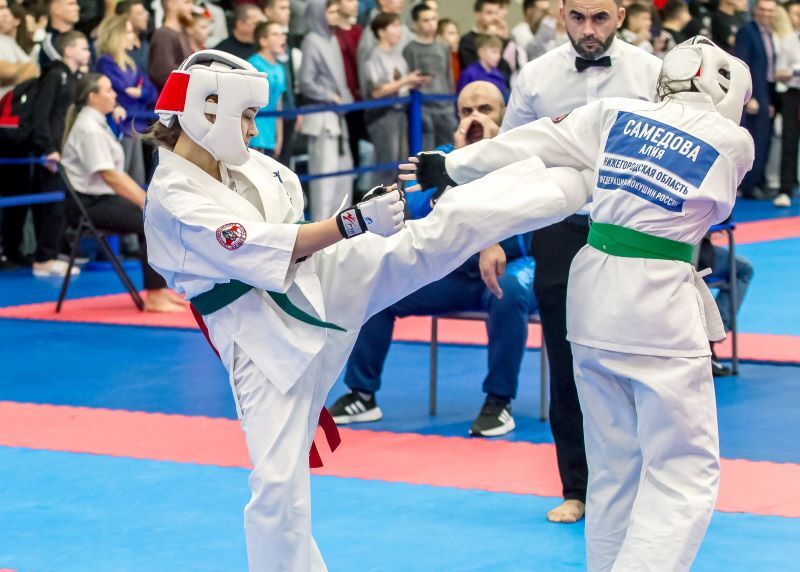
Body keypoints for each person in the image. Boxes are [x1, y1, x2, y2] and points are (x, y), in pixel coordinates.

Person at [143, 48, 591, 572]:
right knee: (278, 483)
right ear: (207, 112)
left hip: (317, 275)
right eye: (245, 116)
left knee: (429, 241)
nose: (252, 130)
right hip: (258, 334)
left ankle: (565, 185)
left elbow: (294, 220)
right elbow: (266, 245)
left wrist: (368, 214)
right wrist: (354, 222)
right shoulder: (174, 198)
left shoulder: (243, 164)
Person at [407, 35, 755, 572]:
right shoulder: (734, 142)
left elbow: (534, 140)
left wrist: (453, 166)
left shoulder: (617, 113)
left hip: (590, 290)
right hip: (657, 299)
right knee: (683, 470)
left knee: (612, 466)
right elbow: (717, 205)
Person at [472, 0, 663, 525]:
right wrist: (493, 237)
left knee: (635, 358)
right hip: (558, 228)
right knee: (566, 357)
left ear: (620, 14)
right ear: (562, 14)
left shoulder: (652, 74)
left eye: (599, 18)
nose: (588, 30)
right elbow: (506, 158)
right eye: (578, 17)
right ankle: (576, 488)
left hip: (630, 229)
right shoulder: (536, 77)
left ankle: (643, 488)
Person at [331, 80, 537, 437]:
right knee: (378, 283)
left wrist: (488, 158)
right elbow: (420, 211)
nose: (475, 118)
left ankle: (498, 401)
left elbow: (525, 224)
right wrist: (458, 164)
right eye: (467, 111)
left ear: (504, 115)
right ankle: (361, 394)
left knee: (510, 290)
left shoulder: (522, 155)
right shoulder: (436, 160)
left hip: (511, 265)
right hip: (453, 272)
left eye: (485, 110)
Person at [61, 73, 183, 312]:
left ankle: (160, 290)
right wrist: (146, 201)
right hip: (89, 206)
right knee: (152, 221)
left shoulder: (97, 123)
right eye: (108, 90)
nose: (114, 94)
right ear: (92, 97)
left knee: (154, 219)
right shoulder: (89, 128)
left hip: (100, 200)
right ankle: (154, 295)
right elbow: (110, 176)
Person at [26, 30, 88, 277]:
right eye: (83, 48)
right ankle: (43, 259)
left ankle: (54, 253)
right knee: (53, 205)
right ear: (68, 50)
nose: (88, 52)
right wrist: (49, 148)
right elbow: (41, 115)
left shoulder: (74, 77)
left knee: (62, 205)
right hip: (52, 152)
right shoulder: (55, 75)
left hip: (66, 152)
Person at [299, 0, 354, 220]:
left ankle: (344, 226)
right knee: (325, 179)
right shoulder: (311, 40)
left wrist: (343, 97)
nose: (335, 15)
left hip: (339, 115)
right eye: (330, 11)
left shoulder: (332, 38)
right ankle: (321, 230)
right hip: (322, 117)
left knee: (343, 176)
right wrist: (330, 96)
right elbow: (306, 81)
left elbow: (340, 79)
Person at [363, 11, 426, 187]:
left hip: (400, 112)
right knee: (387, 163)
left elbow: (401, 86)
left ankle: (400, 199)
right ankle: (380, 198)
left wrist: (413, 83)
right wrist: (405, 80)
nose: (399, 31)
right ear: (381, 32)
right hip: (383, 115)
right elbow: (376, 91)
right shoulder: (373, 56)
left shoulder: (399, 56)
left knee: (402, 162)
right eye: (394, 26)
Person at [95, 15, 157, 185]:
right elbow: (123, 94)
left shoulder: (131, 64)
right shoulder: (105, 63)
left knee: (137, 181)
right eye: (129, 32)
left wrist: (141, 92)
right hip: (120, 129)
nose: (133, 36)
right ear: (117, 35)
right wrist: (141, 95)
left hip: (135, 129)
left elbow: (152, 93)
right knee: (126, 181)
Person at [735, 0, 777, 200]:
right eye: (763, 9)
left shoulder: (770, 35)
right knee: (753, 140)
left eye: (770, 10)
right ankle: (748, 186)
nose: (766, 14)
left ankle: (758, 181)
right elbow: (742, 63)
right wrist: (748, 96)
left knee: (763, 139)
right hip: (753, 95)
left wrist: (769, 99)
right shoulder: (746, 31)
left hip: (766, 92)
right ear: (755, 11)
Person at [403, 2, 457, 151]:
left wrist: (451, 102)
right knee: (425, 151)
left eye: (433, 19)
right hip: (423, 108)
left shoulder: (443, 47)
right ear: (416, 23)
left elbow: (448, 76)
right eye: (425, 20)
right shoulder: (410, 49)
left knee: (448, 151)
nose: (431, 24)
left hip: (445, 106)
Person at [247, 21, 286, 157]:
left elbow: (278, 104)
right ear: (263, 41)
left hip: (271, 137)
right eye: (275, 34)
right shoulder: (253, 64)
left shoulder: (280, 68)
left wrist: (279, 137)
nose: (282, 38)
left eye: (282, 34)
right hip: (254, 135)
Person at [776, 12, 800, 207]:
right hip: (793, 95)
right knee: (789, 142)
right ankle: (785, 190)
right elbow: (779, 73)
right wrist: (793, 72)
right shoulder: (789, 40)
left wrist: (795, 71)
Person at [148, 0, 193, 90]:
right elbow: (164, 75)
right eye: (187, 2)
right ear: (171, 4)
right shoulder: (164, 35)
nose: (191, 7)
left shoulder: (181, 33)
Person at [457, 33, 509, 101]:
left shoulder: (499, 75)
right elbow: (461, 98)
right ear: (481, 52)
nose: (498, 56)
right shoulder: (469, 73)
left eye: (500, 53)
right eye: (494, 52)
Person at [39, 0, 79, 71]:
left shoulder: (79, 38)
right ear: (55, 9)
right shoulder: (49, 42)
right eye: (71, 4)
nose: (77, 8)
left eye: (76, 4)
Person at [115, 0, 150, 78]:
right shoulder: (118, 50)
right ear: (125, 18)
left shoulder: (146, 41)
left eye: (145, 11)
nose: (147, 15)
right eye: (140, 13)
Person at [437, 17, 461, 85]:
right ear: (438, 37)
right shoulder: (436, 58)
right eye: (451, 33)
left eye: (457, 33)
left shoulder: (458, 56)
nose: (457, 37)